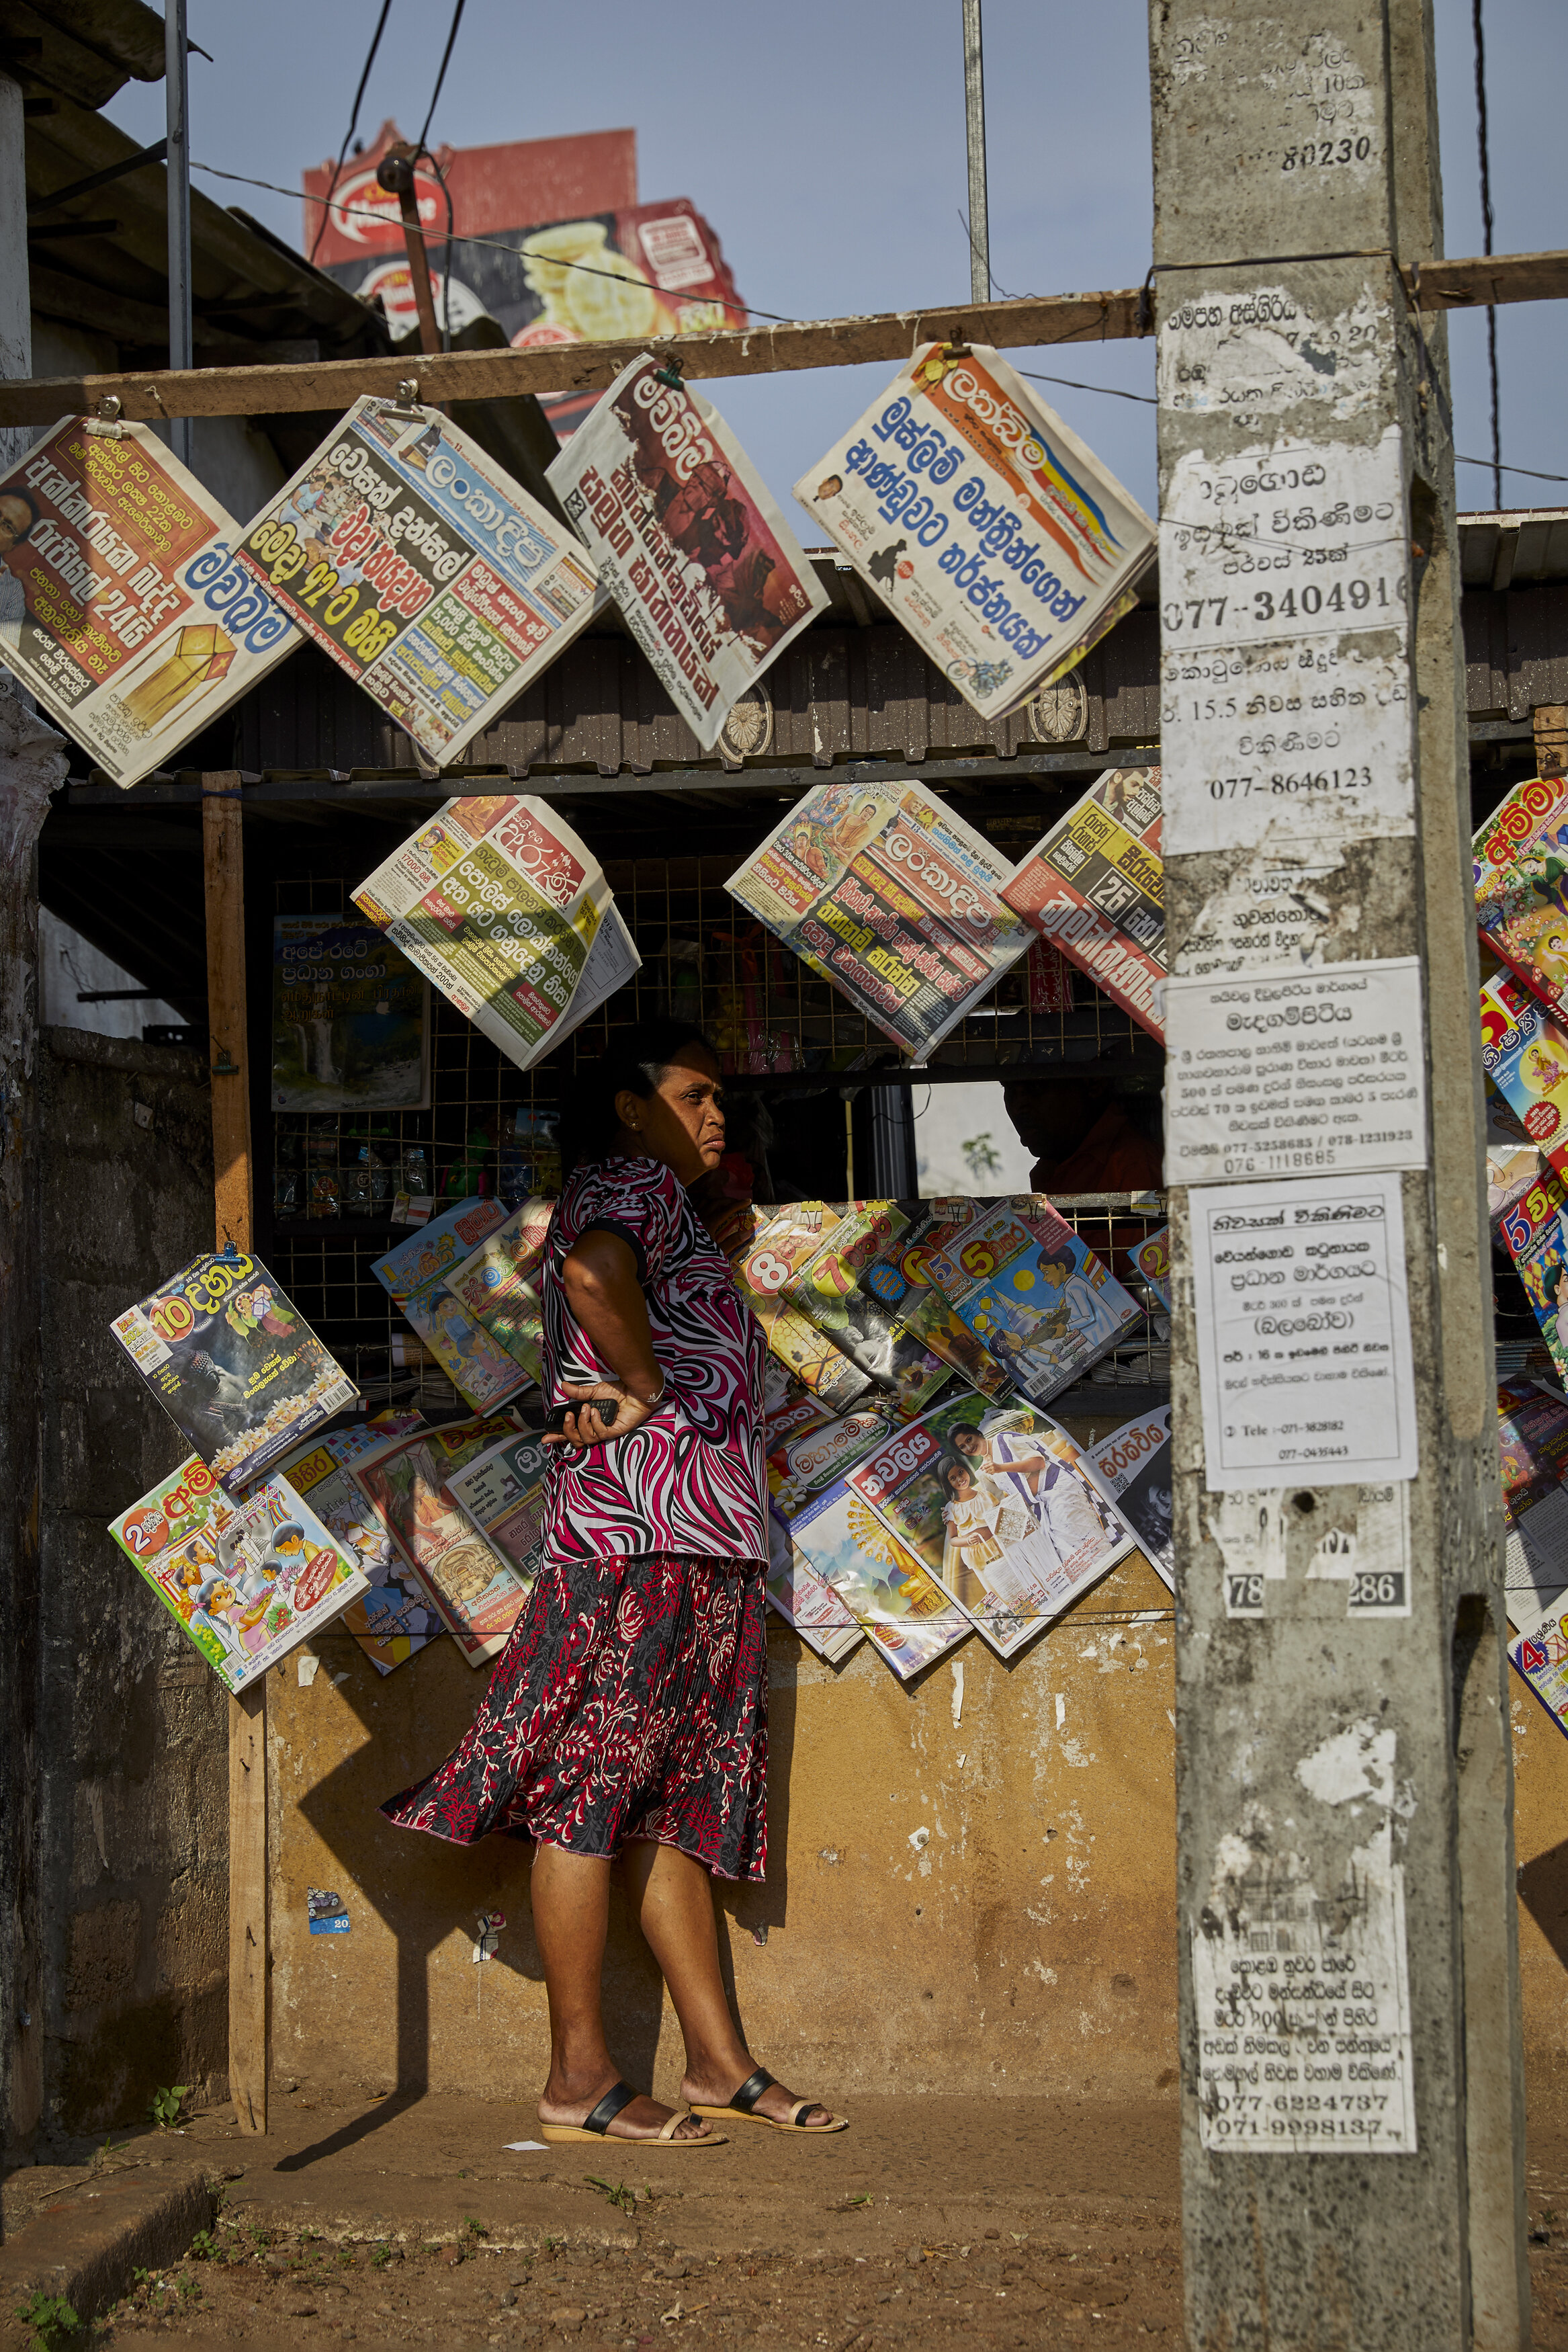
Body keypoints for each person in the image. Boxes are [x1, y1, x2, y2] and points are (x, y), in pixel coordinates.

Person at [382, 1019, 844, 2147]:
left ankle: (718, 2063)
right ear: (632, 1107)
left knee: (669, 1809)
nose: (716, 1113)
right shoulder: (625, 1183)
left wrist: (704, 1259)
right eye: (693, 1093)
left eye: (719, 1096)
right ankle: (577, 2077)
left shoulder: (663, 1206)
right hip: (637, 1545)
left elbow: (628, 1283)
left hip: (697, 1546)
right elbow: (589, 1274)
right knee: (589, 1799)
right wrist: (643, 1384)